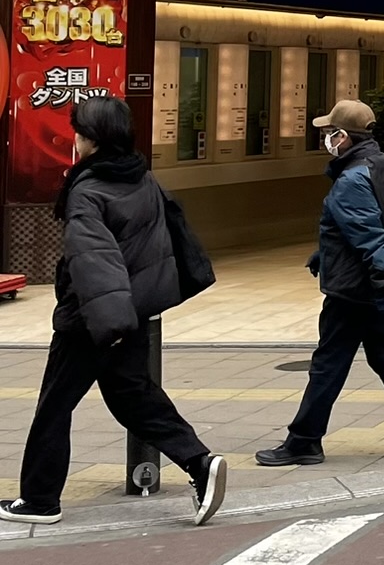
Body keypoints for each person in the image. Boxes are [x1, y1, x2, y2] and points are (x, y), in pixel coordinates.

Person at [2, 95, 226, 527]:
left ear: (93, 139)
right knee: (135, 400)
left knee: (54, 407)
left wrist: (111, 325)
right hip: (131, 312)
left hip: (93, 319)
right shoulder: (141, 177)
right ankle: (201, 463)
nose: (75, 140)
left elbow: (95, 260)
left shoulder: (88, 190)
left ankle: (40, 500)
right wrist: (127, 319)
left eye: (79, 133)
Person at [257, 100, 384, 467]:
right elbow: (373, 222)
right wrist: (325, 255)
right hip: (374, 286)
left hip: (356, 291)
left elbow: (369, 234)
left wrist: (380, 280)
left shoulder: (351, 179)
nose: (326, 139)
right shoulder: (382, 163)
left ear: (344, 136)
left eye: (329, 133)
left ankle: (304, 441)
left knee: (328, 364)